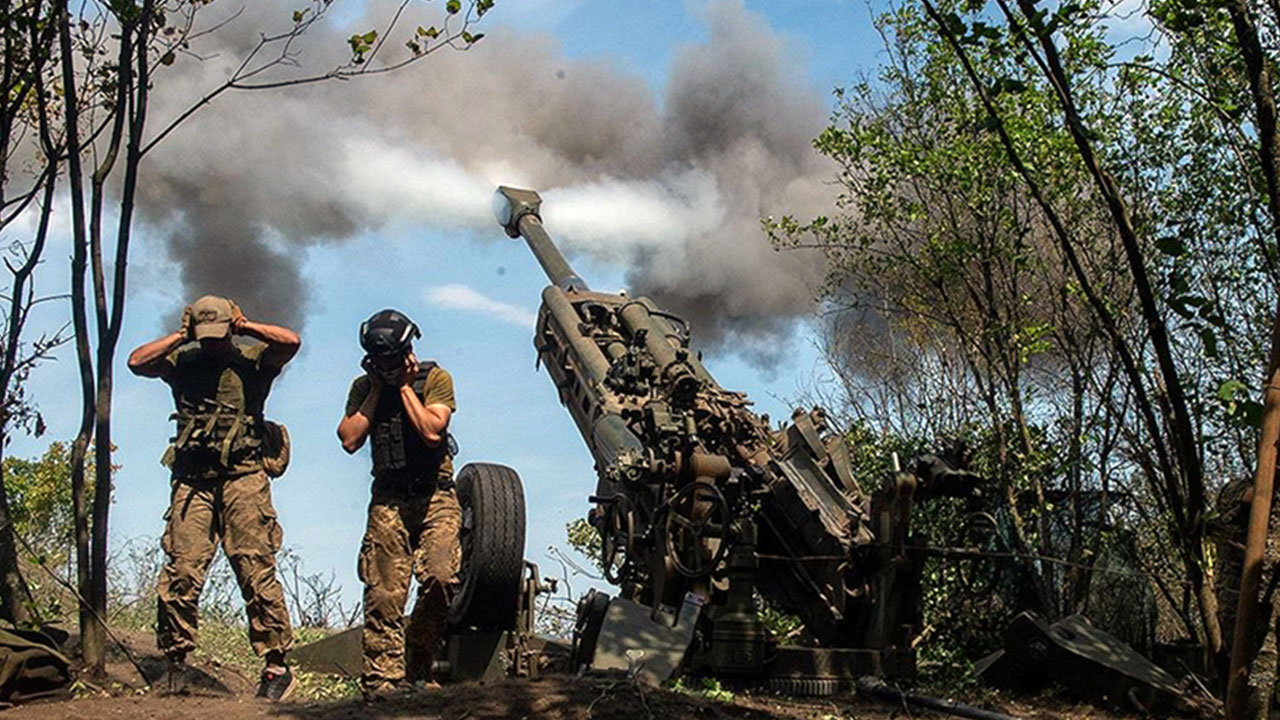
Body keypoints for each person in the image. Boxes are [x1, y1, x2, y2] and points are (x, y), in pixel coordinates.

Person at [127, 295, 300, 701]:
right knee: (182, 571)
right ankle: (175, 663)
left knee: (255, 570)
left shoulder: (252, 360)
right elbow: (136, 362)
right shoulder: (182, 362)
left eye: (218, 335)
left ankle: (277, 667)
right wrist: (180, 336)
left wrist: (246, 326)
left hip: (244, 477)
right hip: (193, 481)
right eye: (204, 336)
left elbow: (290, 342)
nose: (211, 343)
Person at [336, 309, 460, 697]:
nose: (387, 366)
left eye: (393, 358)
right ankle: (382, 680)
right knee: (384, 592)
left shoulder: (435, 379)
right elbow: (349, 438)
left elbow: (430, 431)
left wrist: (405, 387)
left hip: (435, 495)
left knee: (441, 576)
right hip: (389, 498)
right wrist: (376, 390)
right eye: (380, 360)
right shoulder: (363, 387)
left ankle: (418, 665)